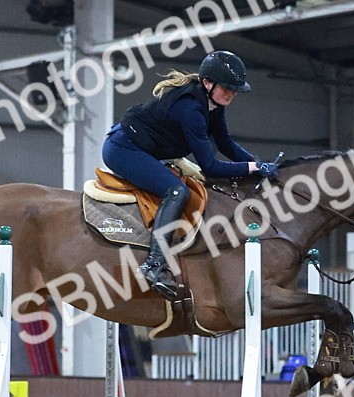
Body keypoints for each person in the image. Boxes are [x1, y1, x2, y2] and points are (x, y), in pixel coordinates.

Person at [102, 50, 279, 299]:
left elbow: (225, 143)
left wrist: (257, 163)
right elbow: (211, 167)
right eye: (227, 88)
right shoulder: (191, 109)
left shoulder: (212, 104)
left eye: (235, 89)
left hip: (143, 147)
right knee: (176, 190)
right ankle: (153, 264)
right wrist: (254, 169)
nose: (232, 93)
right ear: (208, 83)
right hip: (122, 149)